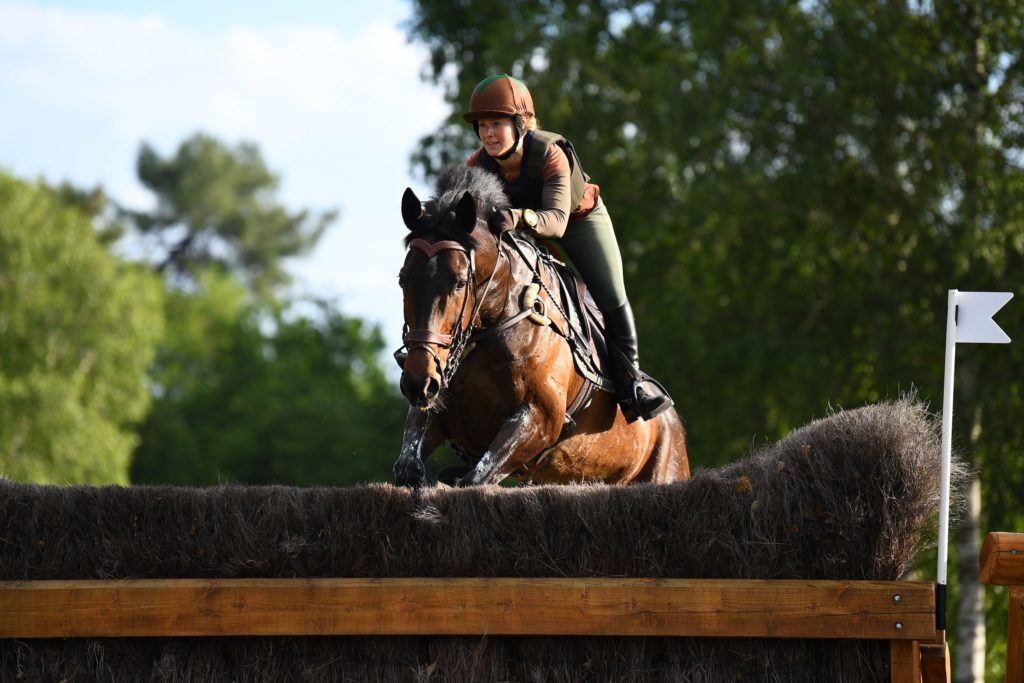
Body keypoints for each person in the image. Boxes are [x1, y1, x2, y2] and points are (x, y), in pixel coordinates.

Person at [463, 73, 673, 422]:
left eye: (497, 123)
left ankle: (632, 384)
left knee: (609, 292)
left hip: (577, 222)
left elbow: (557, 221)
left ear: (522, 123)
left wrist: (517, 216)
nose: (488, 133)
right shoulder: (477, 165)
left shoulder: (551, 153)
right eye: (482, 125)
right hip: (523, 230)